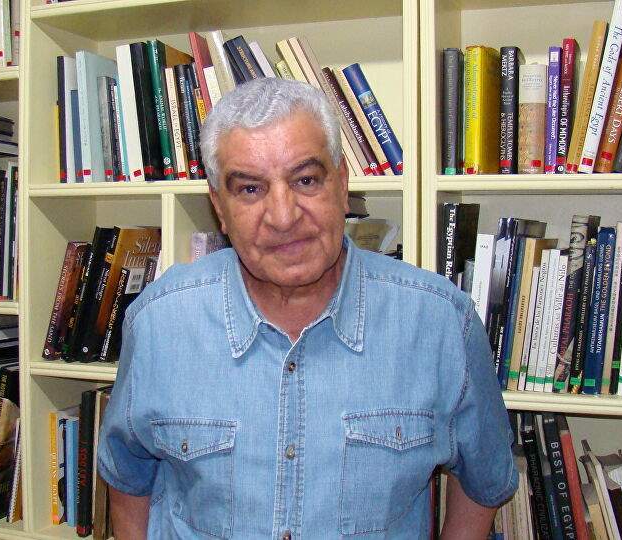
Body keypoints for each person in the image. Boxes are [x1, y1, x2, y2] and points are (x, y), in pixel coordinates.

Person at [97, 77, 516, 539]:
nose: (283, 217)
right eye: (250, 189)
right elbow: (127, 477)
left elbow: (484, 481)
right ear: (219, 207)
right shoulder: (158, 323)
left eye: (306, 180)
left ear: (342, 183)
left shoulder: (442, 324)